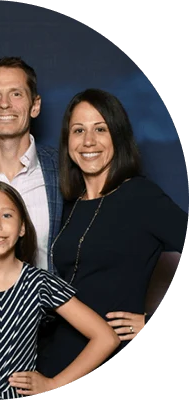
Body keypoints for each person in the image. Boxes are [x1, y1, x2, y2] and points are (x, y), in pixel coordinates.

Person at [0, 56, 146, 341]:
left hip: (54, 335)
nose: (4, 104)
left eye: (16, 94)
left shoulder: (69, 171)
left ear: (35, 105)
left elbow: (115, 246)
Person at [33, 88, 188, 378]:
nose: (88, 141)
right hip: (54, 356)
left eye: (100, 129)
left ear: (117, 136)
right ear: (68, 141)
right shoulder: (69, 204)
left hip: (107, 354)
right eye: (78, 130)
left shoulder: (140, 196)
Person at [0, 181, 120, 398]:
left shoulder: (40, 284)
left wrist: (54, 383)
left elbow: (106, 337)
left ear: (22, 227)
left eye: (7, 215)